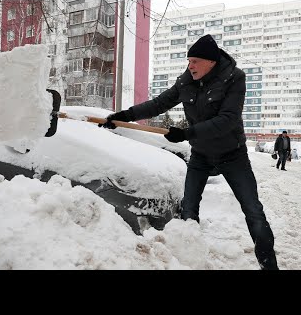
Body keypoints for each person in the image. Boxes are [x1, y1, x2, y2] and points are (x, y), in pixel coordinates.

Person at [100, 34, 278, 270]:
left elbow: (228, 119)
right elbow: (159, 103)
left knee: (253, 210)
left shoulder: (235, 78)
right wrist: (125, 116)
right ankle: (188, 261)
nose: (190, 66)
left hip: (232, 155)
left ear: (211, 62)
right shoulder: (186, 81)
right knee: (189, 209)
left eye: (194, 61)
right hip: (201, 156)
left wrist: (187, 133)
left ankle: (269, 265)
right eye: (188, 61)